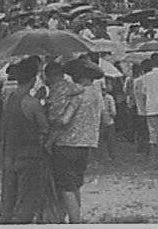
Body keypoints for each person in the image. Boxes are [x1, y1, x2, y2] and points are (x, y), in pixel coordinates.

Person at [49, 57, 104, 224]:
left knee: (66, 187)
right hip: (87, 143)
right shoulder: (96, 93)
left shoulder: (76, 94)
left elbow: (64, 120)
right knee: (75, 185)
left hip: (67, 144)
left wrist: (52, 119)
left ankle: (75, 221)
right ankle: (76, 217)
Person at [0, 57, 49, 223]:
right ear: (34, 79)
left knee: (8, 196)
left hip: (9, 154)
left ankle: (4, 221)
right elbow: (44, 128)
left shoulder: (10, 98)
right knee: (27, 198)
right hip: (29, 155)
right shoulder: (32, 103)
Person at [133, 54, 158, 156]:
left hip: (151, 106)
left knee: (152, 132)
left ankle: (153, 154)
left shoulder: (146, 77)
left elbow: (144, 91)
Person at [100, 85, 117, 160]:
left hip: (100, 120)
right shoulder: (109, 98)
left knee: (101, 140)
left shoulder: (98, 98)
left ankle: (102, 155)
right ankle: (111, 155)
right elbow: (113, 112)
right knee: (110, 140)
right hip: (109, 121)